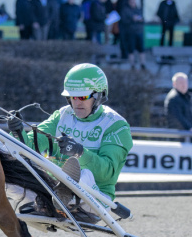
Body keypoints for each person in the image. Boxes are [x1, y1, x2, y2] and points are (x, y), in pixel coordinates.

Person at [7, 63, 133, 222]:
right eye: (73, 97)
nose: (77, 103)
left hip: (95, 199)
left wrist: (80, 152)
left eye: (83, 97)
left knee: (83, 173)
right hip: (51, 191)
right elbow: (32, 145)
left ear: (99, 95)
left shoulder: (116, 125)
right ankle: (54, 201)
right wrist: (17, 133)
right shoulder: (62, 115)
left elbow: (107, 173)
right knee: (9, 168)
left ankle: (61, 199)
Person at [122, 0, 146, 70]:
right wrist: (132, 19)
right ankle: (132, 66)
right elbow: (123, 21)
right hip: (130, 33)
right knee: (131, 50)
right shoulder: (125, 10)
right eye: (131, 1)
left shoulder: (138, 10)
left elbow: (143, 19)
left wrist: (140, 20)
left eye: (134, 1)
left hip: (139, 32)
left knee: (141, 49)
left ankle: (143, 65)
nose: (133, 3)